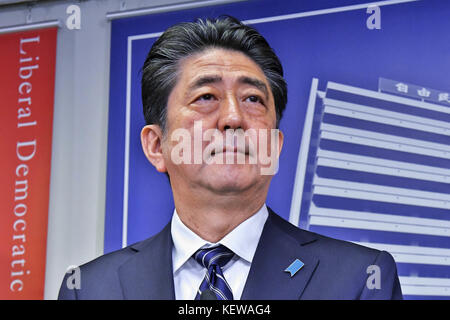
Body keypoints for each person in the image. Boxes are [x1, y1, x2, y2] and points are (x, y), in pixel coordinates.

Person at [58, 16, 402, 300]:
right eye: (206, 96)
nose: (234, 117)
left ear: (276, 146)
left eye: (253, 99)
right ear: (156, 146)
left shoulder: (360, 279)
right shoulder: (91, 289)